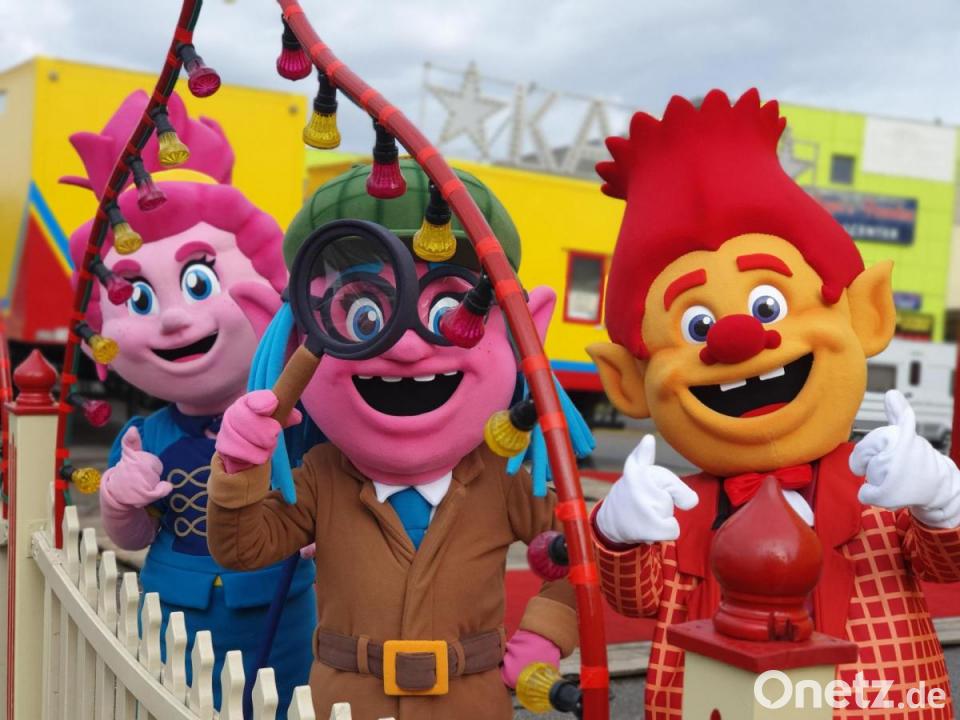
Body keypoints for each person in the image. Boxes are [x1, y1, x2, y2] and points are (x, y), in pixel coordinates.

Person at [588, 89, 959, 719]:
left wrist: (942, 501)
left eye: (769, 305)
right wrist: (617, 535)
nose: (736, 340)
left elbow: (946, 564)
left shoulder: (879, 490)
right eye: (697, 325)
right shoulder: (682, 510)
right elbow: (636, 598)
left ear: (868, 314)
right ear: (626, 382)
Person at [205, 160, 586, 720]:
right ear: (288, 339)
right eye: (364, 316)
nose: (406, 348)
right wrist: (240, 468)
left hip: (469, 703)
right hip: (348, 701)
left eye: (452, 311)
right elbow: (243, 549)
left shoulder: (504, 479)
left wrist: (546, 632)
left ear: (528, 331)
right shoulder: (323, 477)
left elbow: (580, 553)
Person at [65, 91, 315, 712]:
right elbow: (133, 535)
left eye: (198, 281)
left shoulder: (300, 422)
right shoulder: (147, 434)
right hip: (173, 607)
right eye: (139, 299)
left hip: (279, 605)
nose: (175, 319)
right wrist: (120, 500)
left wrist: (324, 528)